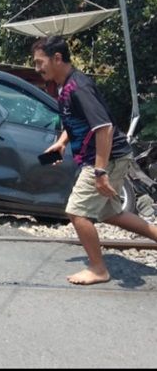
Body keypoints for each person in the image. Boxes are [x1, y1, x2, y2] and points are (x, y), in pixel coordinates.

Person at [33, 36, 157, 285]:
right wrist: (62, 142)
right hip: (109, 157)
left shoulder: (79, 87)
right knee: (111, 214)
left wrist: (100, 172)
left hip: (105, 158)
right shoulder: (64, 86)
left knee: (77, 212)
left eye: (39, 62)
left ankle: (99, 269)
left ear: (57, 58)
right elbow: (80, 120)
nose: (37, 68)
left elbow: (104, 128)